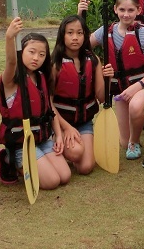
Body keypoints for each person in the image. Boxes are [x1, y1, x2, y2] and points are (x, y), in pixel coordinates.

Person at [0, 24, 71, 190]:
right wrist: (9, 38)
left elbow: (50, 111)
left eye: (42, 54)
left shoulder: (42, 77)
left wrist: (58, 135)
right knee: (51, 182)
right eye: (31, 52)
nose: (36, 57)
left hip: (42, 139)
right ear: (21, 51)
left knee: (64, 176)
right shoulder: (10, 80)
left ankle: (37, 160)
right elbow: (10, 62)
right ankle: (9, 159)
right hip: (22, 143)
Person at [88, 0, 144, 163]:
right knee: (122, 143)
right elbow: (83, 46)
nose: (126, 14)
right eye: (122, 10)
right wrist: (100, 66)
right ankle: (131, 138)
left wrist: (138, 85)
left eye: (131, 10)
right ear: (115, 10)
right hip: (120, 90)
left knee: (135, 107)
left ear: (138, 10)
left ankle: (135, 141)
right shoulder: (106, 31)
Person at [50, 14, 104, 175]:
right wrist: (66, 128)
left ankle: (70, 148)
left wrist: (107, 78)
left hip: (84, 121)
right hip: (59, 122)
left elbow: (101, 97)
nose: (75, 38)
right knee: (75, 153)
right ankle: (52, 143)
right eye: (70, 33)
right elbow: (48, 102)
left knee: (86, 167)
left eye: (80, 33)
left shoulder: (93, 60)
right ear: (62, 35)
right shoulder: (55, 64)